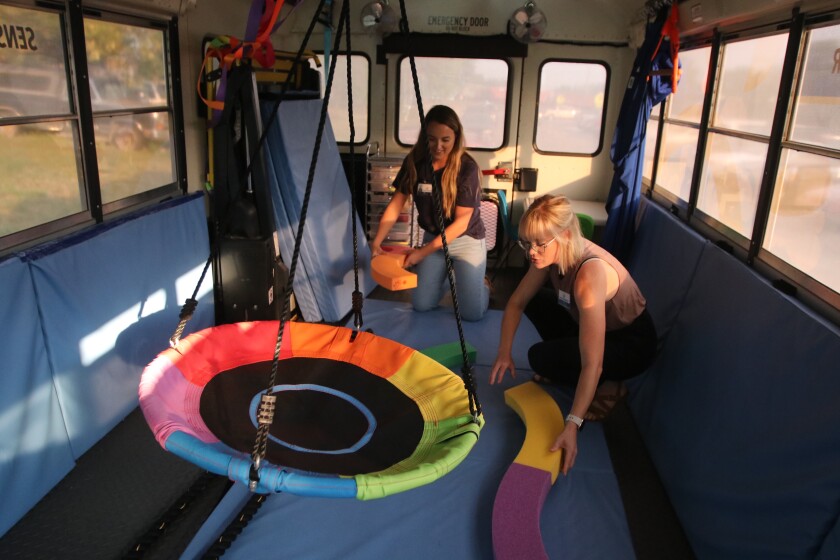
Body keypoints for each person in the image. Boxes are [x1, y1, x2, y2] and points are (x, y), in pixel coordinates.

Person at [489, 195, 658, 475]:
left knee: (538, 358)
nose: (531, 252)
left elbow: (593, 362)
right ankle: (568, 365)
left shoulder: (588, 277)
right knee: (535, 301)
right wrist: (504, 353)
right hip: (587, 322)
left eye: (539, 244)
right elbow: (517, 302)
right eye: (527, 243)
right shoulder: (547, 254)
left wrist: (572, 424)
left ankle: (612, 384)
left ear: (564, 236)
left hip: (631, 343)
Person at [370, 105, 490, 321]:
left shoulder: (467, 168)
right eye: (432, 138)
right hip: (434, 239)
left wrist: (420, 253)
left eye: (445, 139)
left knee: (471, 314)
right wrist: (377, 241)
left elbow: (462, 222)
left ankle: (482, 284)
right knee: (421, 305)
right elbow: (396, 204)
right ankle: (451, 276)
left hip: (466, 241)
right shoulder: (415, 162)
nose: (438, 146)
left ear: (456, 137)